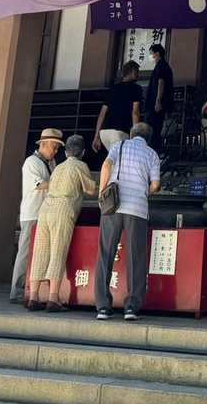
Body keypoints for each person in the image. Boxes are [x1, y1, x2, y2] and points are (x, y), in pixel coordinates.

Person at [94, 121, 161, 321]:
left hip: (113, 206)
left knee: (106, 253)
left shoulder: (119, 146)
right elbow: (155, 185)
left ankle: (103, 307)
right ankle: (131, 307)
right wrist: (143, 192)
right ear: (148, 138)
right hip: (137, 210)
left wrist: (101, 193)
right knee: (136, 257)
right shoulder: (152, 154)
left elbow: (107, 165)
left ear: (131, 134)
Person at [27, 134, 97, 312]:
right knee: (58, 251)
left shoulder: (58, 167)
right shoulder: (80, 166)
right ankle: (53, 298)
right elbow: (91, 190)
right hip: (63, 209)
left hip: (46, 208)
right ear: (83, 152)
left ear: (65, 152)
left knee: (41, 251)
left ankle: (33, 297)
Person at [11, 127, 63, 305]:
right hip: (32, 213)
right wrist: (62, 182)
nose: (55, 151)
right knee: (25, 253)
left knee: (40, 254)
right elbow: (40, 184)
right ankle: (17, 292)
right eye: (54, 147)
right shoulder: (31, 162)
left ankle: (33, 292)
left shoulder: (51, 163)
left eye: (57, 148)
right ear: (44, 144)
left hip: (45, 214)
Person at [93, 60, 142, 155]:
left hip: (105, 133)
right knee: (120, 160)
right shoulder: (136, 88)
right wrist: (136, 135)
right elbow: (135, 112)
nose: (138, 75)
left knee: (112, 159)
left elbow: (102, 114)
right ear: (132, 71)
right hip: (120, 132)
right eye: (137, 71)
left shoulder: (112, 89)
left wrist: (96, 136)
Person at [143, 43, 173, 146]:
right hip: (156, 103)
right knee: (155, 128)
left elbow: (161, 82)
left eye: (151, 53)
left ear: (157, 53)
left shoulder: (162, 66)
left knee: (154, 128)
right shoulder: (162, 66)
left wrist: (158, 101)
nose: (150, 56)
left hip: (156, 104)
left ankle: (154, 148)